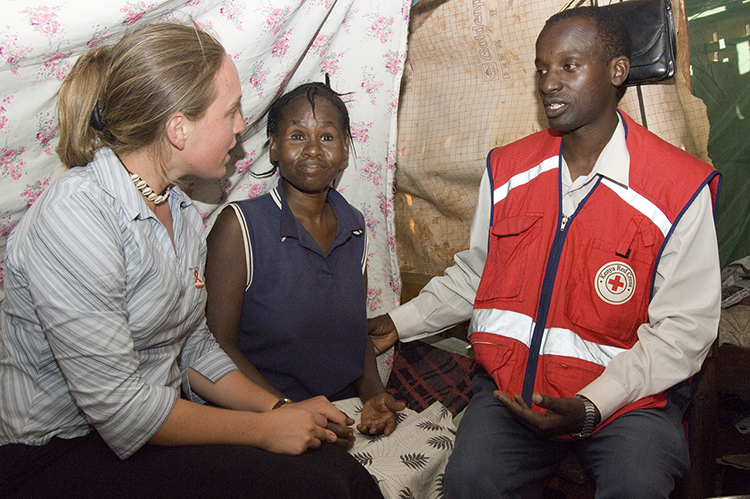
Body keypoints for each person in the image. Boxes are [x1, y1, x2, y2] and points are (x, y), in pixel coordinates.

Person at [0, 23, 383, 499]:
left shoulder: (179, 212)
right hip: (56, 453)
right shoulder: (77, 215)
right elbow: (121, 411)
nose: (243, 125)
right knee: (315, 486)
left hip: (144, 429)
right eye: (231, 111)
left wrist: (280, 408)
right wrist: (263, 430)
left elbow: (195, 349)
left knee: (338, 469)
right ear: (178, 128)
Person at [368, 7, 721, 498]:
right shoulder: (509, 170)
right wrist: (399, 323)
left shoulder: (677, 187)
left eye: (569, 66)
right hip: (514, 394)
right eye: (541, 67)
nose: (549, 82)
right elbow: (480, 276)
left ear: (617, 72)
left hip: (626, 402)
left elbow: (686, 328)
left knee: (636, 484)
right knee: (470, 482)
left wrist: (592, 404)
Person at [205, 82, 405, 441]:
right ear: (274, 147)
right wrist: (286, 411)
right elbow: (217, 346)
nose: (313, 148)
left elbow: (353, 331)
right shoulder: (241, 226)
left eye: (327, 137)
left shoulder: (355, 226)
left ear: (345, 149)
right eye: (297, 136)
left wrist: (373, 395)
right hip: (263, 418)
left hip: (341, 412)